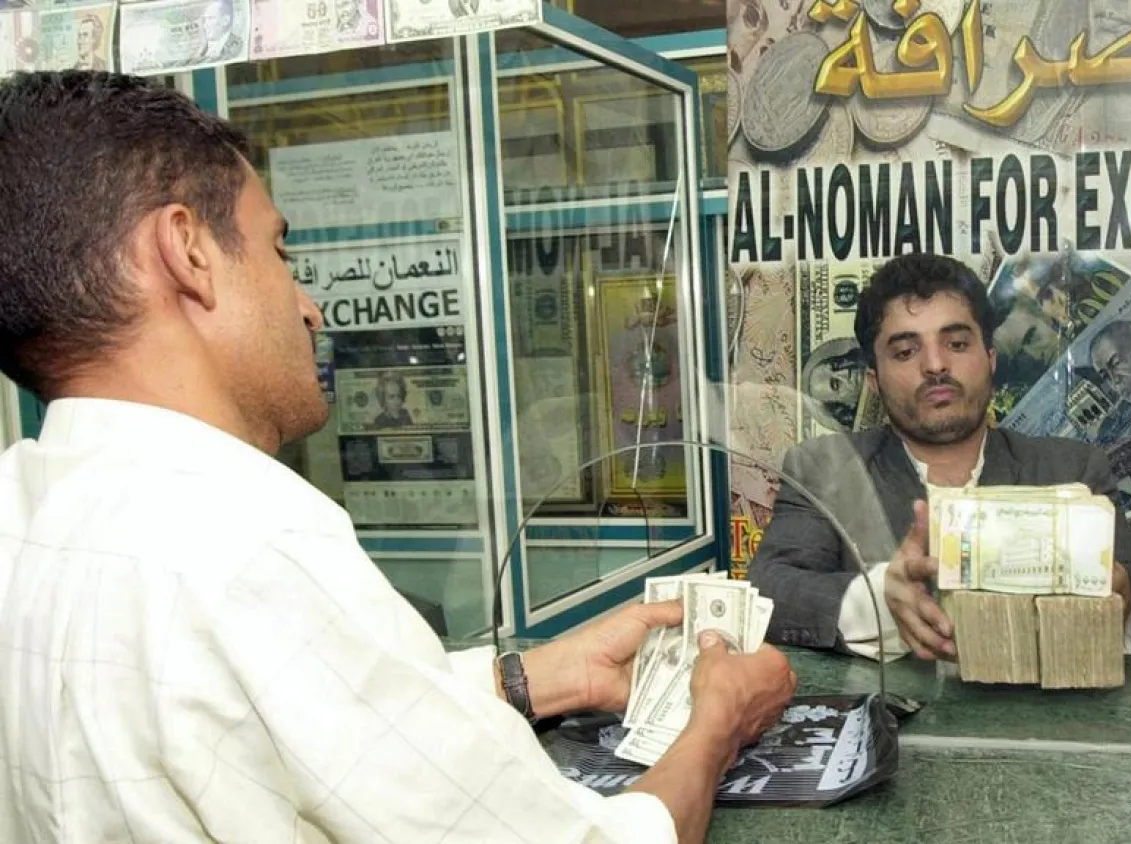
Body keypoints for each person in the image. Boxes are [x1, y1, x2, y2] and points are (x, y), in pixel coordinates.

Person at [0, 71, 795, 844]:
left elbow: (292, 719)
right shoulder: (245, 543)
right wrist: (718, 720)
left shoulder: (24, 512)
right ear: (188, 251)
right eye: (279, 250)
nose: (308, 306)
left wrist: (536, 677)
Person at [747, 253, 1131, 660]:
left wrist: (1124, 596)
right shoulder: (825, 468)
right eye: (905, 351)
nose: (935, 365)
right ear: (873, 380)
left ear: (990, 358)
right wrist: (880, 598)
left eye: (957, 344)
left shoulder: (1070, 469)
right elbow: (769, 588)